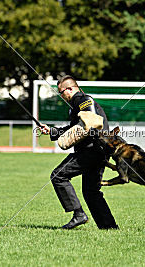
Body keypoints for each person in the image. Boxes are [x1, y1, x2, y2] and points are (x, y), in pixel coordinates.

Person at [39, 75, 118, 230]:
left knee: (58, 175)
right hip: (98, 150)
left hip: (92, 150)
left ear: (70, 89)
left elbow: (92, 122)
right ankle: (109, 227)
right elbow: (76, 128)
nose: (62, 96)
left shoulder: (83, 100)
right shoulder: (77, 105)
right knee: (90, 191)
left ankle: (79, 215)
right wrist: (52, 131)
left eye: (62, 93)